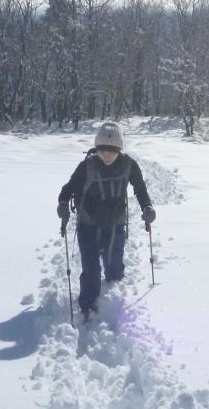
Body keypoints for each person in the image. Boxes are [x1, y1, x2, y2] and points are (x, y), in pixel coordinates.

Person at [56, 121, 156, 319]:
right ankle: (87, 305)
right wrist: (63, 204)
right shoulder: (87, 166)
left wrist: (147, 207)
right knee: (91, 267)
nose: (107, 155)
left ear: (119, 149)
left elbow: (140, 188)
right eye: (102, 150)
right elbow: (68, 189)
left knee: (114, 264)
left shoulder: (129, 165)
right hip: (88, 223)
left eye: (112, 150)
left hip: (115, 222)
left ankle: (113, 296)